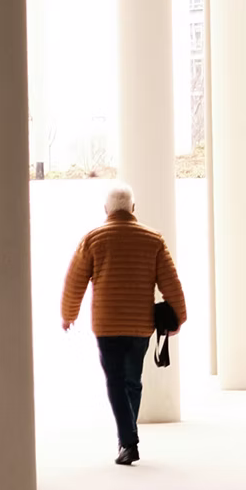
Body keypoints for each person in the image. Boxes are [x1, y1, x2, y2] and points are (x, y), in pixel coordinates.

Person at [61, 182, 187, 465]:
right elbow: (171, 283)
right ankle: (127, 440)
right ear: (133, 208)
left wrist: (69, 314)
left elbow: (75, 281)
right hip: (140, 325)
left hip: (107, 326)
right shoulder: (153, 239)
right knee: (133, 381)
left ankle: (128, 442)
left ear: (106, 209)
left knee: (116, 381)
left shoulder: (93, 239)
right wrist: (178, 317)